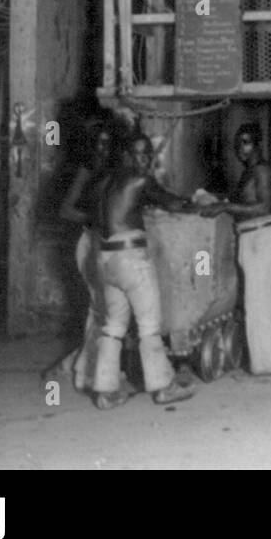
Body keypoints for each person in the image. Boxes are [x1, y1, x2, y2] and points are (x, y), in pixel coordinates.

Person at [91, 132, 206, 409]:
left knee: (113, 326)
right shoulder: (141, 180)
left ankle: (105, 390)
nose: (147, 160)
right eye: (141, 154)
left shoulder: (103, 183)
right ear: (126, 155)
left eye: (149, 154)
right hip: (131, 259)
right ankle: (164, 386)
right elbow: (173, 203)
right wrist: (201, 203)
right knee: (149, 325)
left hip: (105, 260)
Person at [208, 123, 271, 381]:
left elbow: (263, 206)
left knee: (257, 305)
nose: (241, 149)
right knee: (266, 303)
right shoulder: (250, 171)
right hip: (256, 238)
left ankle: (265, 368)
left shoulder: (262, 170)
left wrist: (225, 207)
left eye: (247, 142)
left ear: (258, 143)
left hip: (261, 237)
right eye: (238, 143)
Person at [43, 118, 114, 391]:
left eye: (108, 143)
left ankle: (85, 366)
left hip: (107, 243)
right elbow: (65, 210)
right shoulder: (85, 171)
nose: (104, 149)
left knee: (105, 310)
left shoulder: (111, 170)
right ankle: (81, 369)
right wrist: (96, 218)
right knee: (100, 310)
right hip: (89, 242)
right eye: (100, 143)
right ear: (91, 146)